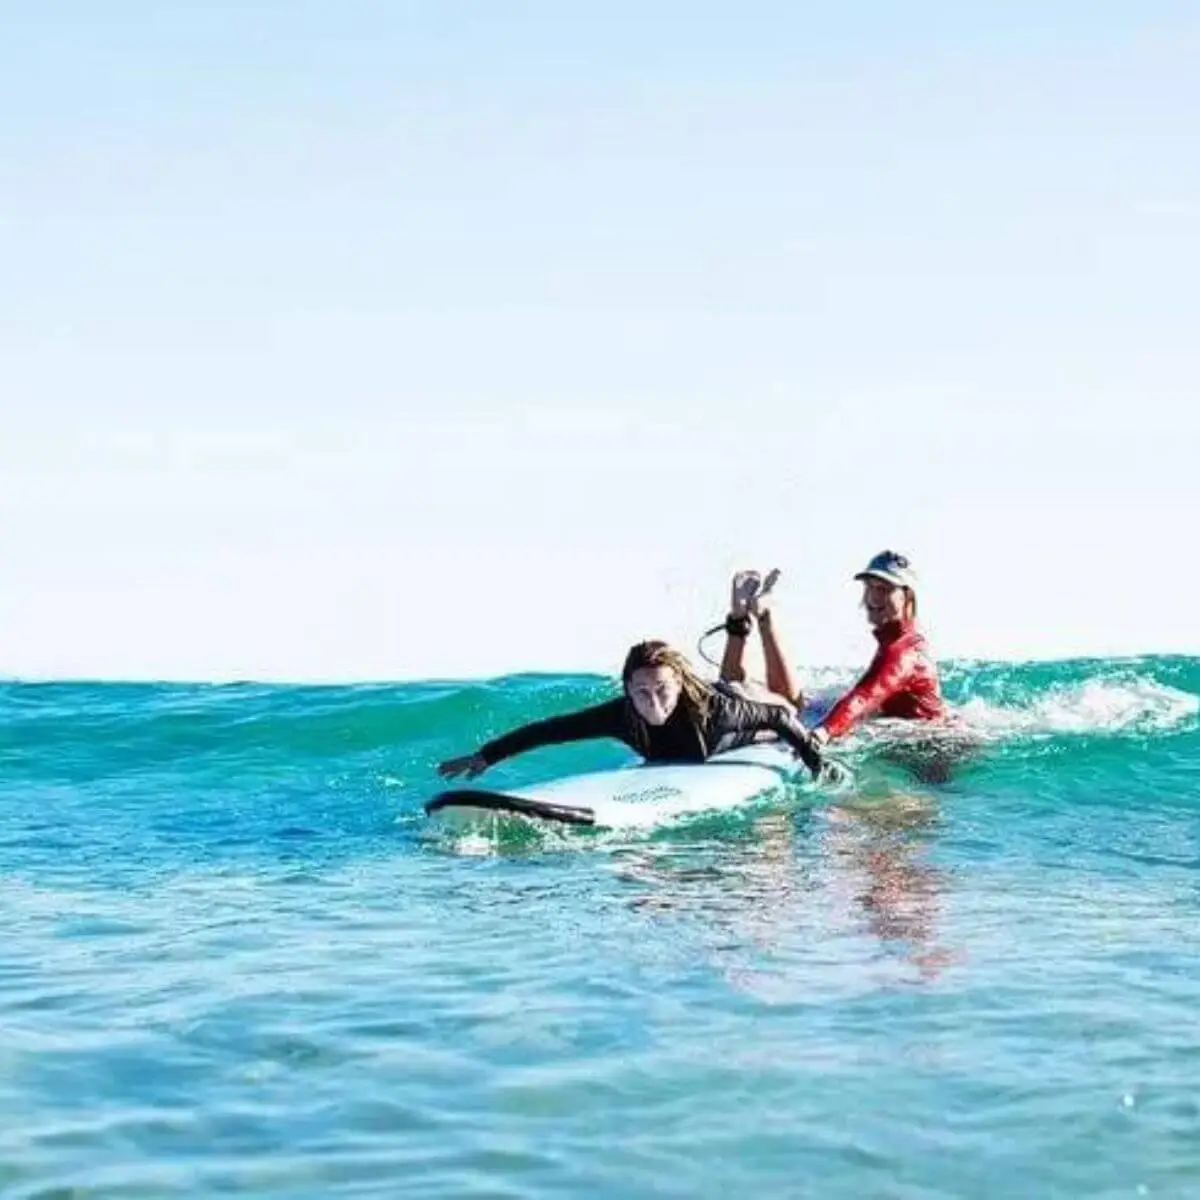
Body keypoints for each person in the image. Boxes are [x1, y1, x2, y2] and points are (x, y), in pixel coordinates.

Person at [438, 639, 837, 782]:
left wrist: (815, 765)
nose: (654, 701)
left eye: (662, 690)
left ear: (678, 685)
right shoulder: (621, 715)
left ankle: (752, 624)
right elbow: (552, 730)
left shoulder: (717, 712)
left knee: (786, 705)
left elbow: (779, 720)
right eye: (642, 692)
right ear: (628, 689)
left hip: (745, 708)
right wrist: (486, 756)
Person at [718, 551, 946, 747]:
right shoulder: (899, 643)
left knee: (789, 710)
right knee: (792, 706)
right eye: (870, 587)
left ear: (908, 597)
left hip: (929, 755)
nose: (873, 597)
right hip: (898, 733)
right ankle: (758, 618)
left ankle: (759, 619)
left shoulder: (904, 652)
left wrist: (822, 734)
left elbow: (865, 696)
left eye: (884, 589)